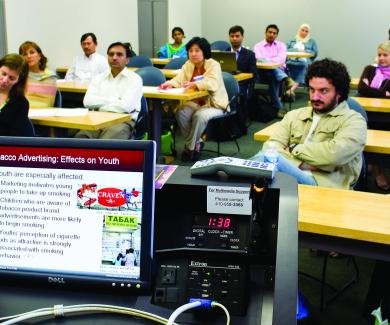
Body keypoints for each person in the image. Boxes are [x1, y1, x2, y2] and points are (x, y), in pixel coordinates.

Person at [252, 58, 367, 189]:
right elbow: (269, 148)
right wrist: (303, 164)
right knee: (265, 164)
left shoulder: (354, 121)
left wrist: (293, 148)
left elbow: (334, 155)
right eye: (312, 90)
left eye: (323, 91)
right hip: (286, 177)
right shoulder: (294, 115)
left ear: (339, 92)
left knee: (266, 163)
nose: (315, 97)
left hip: (322, 185)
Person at [159, 37, 228, 161]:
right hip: (195, 102)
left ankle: (189, 148)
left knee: (199, 116)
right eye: (190, 51)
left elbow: (212, 83)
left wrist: (195, 84)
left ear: (204, 51)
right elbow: (179, 79)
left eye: (197, 50)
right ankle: (198, 142)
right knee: (181, 112)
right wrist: (169, 84)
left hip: (214, 104)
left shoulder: (213, 65)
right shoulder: (188, 64)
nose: (193, 54)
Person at [74, 42, 143, 139]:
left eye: (119, 54)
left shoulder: (134, 79)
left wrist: (100, 101)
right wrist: (116, 100)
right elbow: (87, 102)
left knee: (107, 143)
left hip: (122, 121)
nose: (114, 57)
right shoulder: (98, 78)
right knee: (81, 138)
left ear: (127, 60)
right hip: (99, 118)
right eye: (111, 54)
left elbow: (126, 107)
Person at [358, 40, 390, 190]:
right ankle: (368, 162)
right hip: (366, 108)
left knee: (380, 129)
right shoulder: (370, 69)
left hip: (385, 113)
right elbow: (361, 88)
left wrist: (370, 89)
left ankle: (379, 170)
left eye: (385, 55)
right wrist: (383, 93)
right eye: (379, 54)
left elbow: (367, 89)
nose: (382, 58)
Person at [253, 24, 294, 118]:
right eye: (270, 32)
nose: (272, 34)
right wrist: (271, 61)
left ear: (276, 35)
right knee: (270, 72)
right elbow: (259, 59)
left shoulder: (281, 45)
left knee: (272, 74)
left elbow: (281, 60)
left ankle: (277, 107)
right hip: (262, 72)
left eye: (274, 33)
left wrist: (268, 61)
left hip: (277, 70)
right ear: (265, 33)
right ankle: (285, 79)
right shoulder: (258, 46)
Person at [226, 25, 257, 129]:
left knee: (235, 92)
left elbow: (253, 74)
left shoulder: (249, 54)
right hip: (223, 83)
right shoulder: (223, 53)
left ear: (242, 37)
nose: (234, 38)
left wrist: (241, 74)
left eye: (237, 36)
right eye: (232, 36)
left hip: (241, 84)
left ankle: (235, 124)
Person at [19, 41, 57, 108]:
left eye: (32, 52)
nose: (29, 56)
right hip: (23, 113)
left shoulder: (50, 76)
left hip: (45, 115)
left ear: (39, 56)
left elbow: (48, 103)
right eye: (25, 54)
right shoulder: (19, 76)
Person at [286, 24, 318, 100]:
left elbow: (315, 52)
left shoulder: (312, 41)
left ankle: (291, 89)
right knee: (286, 65)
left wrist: (305, 50)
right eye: (302, 30)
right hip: (291, 60)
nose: (304, 32)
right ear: (299, 30)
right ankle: (289, 86)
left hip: (305, 61)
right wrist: (297, 50)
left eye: (306, 31)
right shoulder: (292, 40)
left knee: (303, 66)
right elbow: (286, 50)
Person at [0, 54, 30, 136]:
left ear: (19, 81)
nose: (5, 80)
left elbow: (14, 138)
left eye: (11, 78)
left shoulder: (21, 103)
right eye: (3, 74)